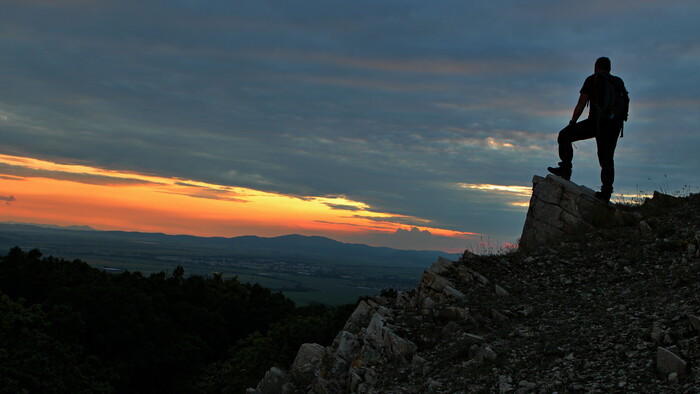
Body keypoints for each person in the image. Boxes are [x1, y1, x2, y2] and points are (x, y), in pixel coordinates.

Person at [547, 57, 627, 202]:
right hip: (615, 125)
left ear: (596, 67)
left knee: (564, 136)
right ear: (609, 68)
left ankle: (565, 169)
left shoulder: (592, 79)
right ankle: (606, 193)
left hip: (596, 123)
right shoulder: (618, 82)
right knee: (607, 158)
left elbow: (581, 103)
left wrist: (573, 122)